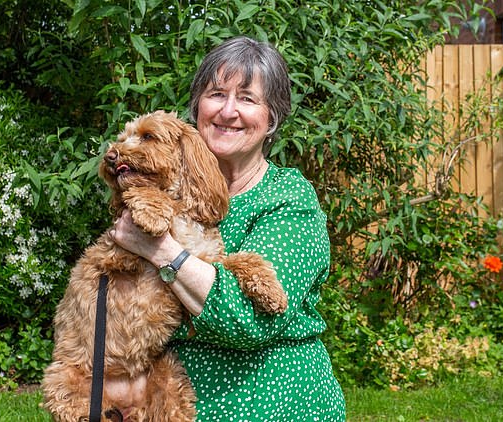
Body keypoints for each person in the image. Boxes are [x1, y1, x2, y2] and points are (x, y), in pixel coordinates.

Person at [110, 35, 346, 421]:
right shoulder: (165, 187)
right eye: (217, 94)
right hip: (168, 403)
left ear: (272, 119)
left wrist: (158, 249)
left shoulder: (289, 200)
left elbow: (247, 320)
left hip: (276, 403)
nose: (228, 111)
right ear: (197, 108)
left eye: (248, 99)